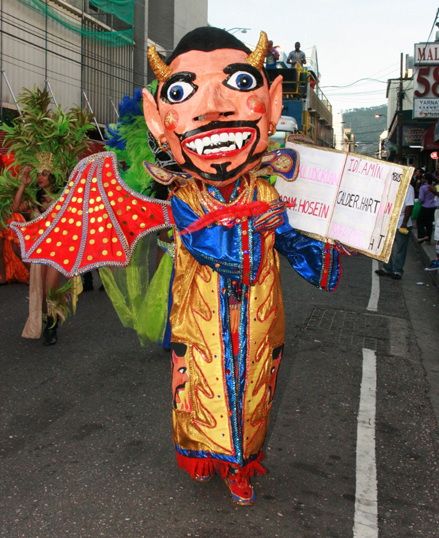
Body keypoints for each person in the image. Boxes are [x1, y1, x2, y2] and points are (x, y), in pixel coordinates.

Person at [12, 27, 343, 505]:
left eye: (240, 87)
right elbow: (216, 247)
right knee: (200, 394)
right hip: (202, 318)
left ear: (270, 106)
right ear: (160, 120)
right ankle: (204, 457)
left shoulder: (268, 191)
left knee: (251, 396)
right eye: (185, 94)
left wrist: (327, 248)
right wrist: (262, 225)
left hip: (258, 320)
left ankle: (240, 468)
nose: (214, 109)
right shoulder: (186, 194)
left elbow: (296, 247)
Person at [13, 160, 65, 345]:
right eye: (39, 174)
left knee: (50, 290)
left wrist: (58, 204)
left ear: (52, 177)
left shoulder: (62, 197)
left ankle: (51, 328)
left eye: (44, 173)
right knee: (41, 293)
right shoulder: (34, 199)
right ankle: (51, 317)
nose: (40, 177)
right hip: (39, 250)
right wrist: (23, 184)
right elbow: (16, 208)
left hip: (56, 250)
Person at [375, 182, 415, 280]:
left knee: (400, 248)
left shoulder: (409, 188)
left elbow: (409, 206)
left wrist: (404, 222)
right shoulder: (392, 184)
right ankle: (387, 268)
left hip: (402, 223)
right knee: (388, 246)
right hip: (390, 222)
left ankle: (397, 271)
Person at [417, 173, 436, 244]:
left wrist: (419, 202)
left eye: (423, 178)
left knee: (419, 221)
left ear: (426, 179)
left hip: (425, 207)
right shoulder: (433, 187)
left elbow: (421, 199)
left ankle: (422, 236)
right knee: (429, 223)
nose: (422, 179)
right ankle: (428, 239)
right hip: (432, 207)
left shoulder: (423, 187)